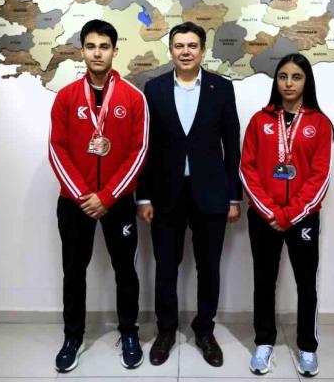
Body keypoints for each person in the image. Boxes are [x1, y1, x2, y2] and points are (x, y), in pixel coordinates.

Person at [136, 21, 241, 367]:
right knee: (166, 267)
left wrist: (234, 197)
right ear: (170, 51)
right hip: (165, 194)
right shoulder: (154, 89)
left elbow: (232, 145)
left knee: (208, 267)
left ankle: (204, 331)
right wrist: (143, 197)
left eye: (192, 45)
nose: (185, 51)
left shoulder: (221, 88)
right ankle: (166, 331)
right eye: (179, 45)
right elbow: (146, 147)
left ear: (202, 50)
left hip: (211, 194)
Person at [48, 19, 150, 372]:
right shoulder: (65, 97)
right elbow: (57, 148)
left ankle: (129, 333)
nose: (97, 53)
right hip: (74, 202)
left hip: (116, 202)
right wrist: (82, 194)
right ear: (82, 51)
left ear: (114, 51)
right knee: (74, 272)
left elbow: (139, 152)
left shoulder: (133, 98)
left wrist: (107, 195)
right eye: (91, 46)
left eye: (104, 47)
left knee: (126, 271)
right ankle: (73, 337)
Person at [239, 53, 333, 377]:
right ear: (276, 81)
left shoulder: (320, 124)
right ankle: (264, 342)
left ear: (307, 81)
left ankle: (307, 347)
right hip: (264, 217)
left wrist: (290, 214)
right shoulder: (260, 121)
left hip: (302, 219)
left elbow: (320, 176)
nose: (289, 83)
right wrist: (270, 211)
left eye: (296, 77)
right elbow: (247, 169)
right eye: (283, 77)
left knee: (306, 284)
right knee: (264, 282)